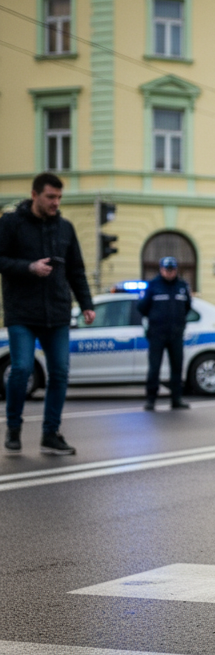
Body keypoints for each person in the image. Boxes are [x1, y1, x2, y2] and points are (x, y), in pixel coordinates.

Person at [0, 172, 95, 455]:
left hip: (57, 312)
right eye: (50, 197)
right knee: (21, 369)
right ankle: (14, 426)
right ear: (35, 195)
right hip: (22, 312)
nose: (56, 203)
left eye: (59, 197)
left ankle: (50, 434)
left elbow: (76, 270)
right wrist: (29, 267)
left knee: (60, 373)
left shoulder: (65, 228)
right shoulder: (11, 223)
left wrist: (87, 304)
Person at [138, 256, 191, 410]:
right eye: (167, 269)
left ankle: (176, 399)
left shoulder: (182, 286)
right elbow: (142, 307)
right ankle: (151, 399)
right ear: (161, 270)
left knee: (177, 368)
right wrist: (156, 320)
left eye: (172, 269)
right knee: (154, 368)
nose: (169, 272)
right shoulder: (153, 286)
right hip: (157, 334)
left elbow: (187, 307)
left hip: (176, 334)